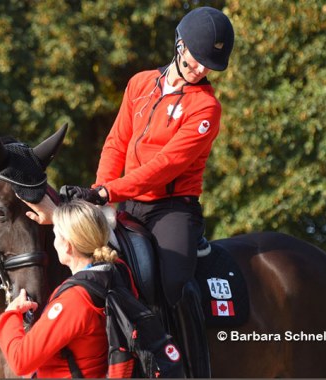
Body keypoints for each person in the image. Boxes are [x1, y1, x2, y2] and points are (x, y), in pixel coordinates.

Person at [61, 6, 235, 378]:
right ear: (180, 44)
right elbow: (116, 142)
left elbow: (165, 167)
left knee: (173, 282)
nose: (200, 68)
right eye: (196, 58)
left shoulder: (206, 107)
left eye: (209, 65)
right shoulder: (139, 84)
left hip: (172, 209)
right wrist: (99, 197)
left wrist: (108, 193)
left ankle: (187, 366)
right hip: (127, 202)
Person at [0, 199, 118, 378]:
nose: (54, 243)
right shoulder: (113, 276)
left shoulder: (74, 300)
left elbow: (20, 360)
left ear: (68, 245)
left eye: (56, 236)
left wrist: (11, 315)